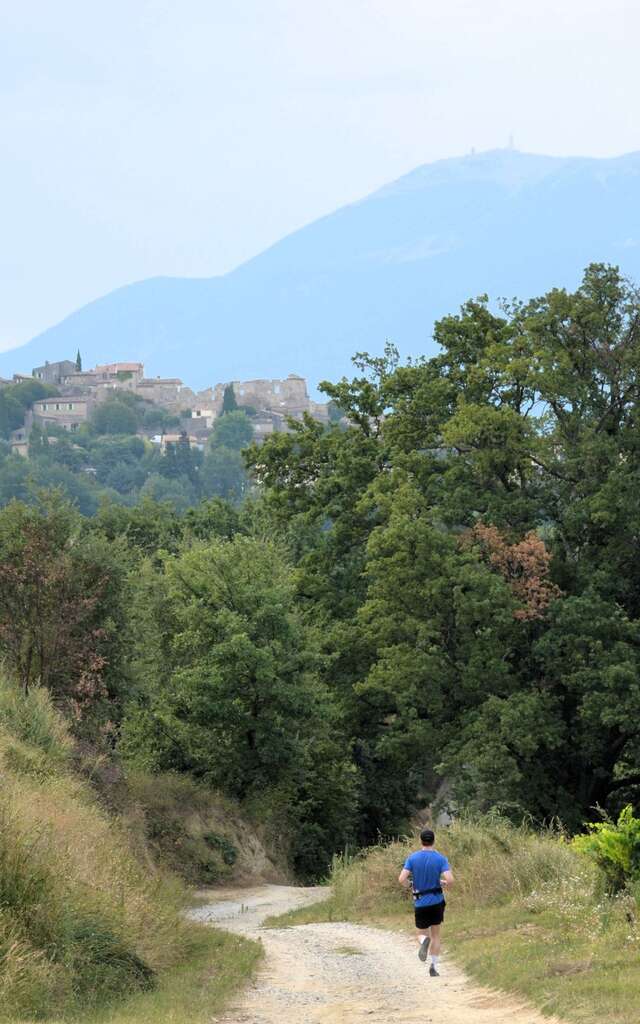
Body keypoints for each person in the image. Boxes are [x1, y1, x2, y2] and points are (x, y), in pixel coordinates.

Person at [398, 827, 453, 977]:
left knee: (422, 933)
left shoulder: (413, 858)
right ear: (433, 841)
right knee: (436, 935)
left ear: (421, 841)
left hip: (421, 901)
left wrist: (410, 885)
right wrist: (442, 883)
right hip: (437, 901)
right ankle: (433, 967)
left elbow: (401, 879)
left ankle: (423, 941)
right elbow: (450, 880)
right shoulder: (441, 858)